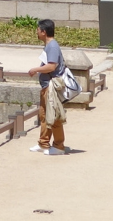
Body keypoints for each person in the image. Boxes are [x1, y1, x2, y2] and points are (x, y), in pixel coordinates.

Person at [25, 19, 69, 156]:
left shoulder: (53, 46)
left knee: (54, 116)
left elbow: (51, 66)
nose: (36, 32)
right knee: (44, 116)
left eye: (38, 30)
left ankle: (59, 145)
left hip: (51, 87)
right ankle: (43, 143)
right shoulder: (49, 45)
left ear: (44, 32)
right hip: (46, 87)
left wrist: (35, 69)